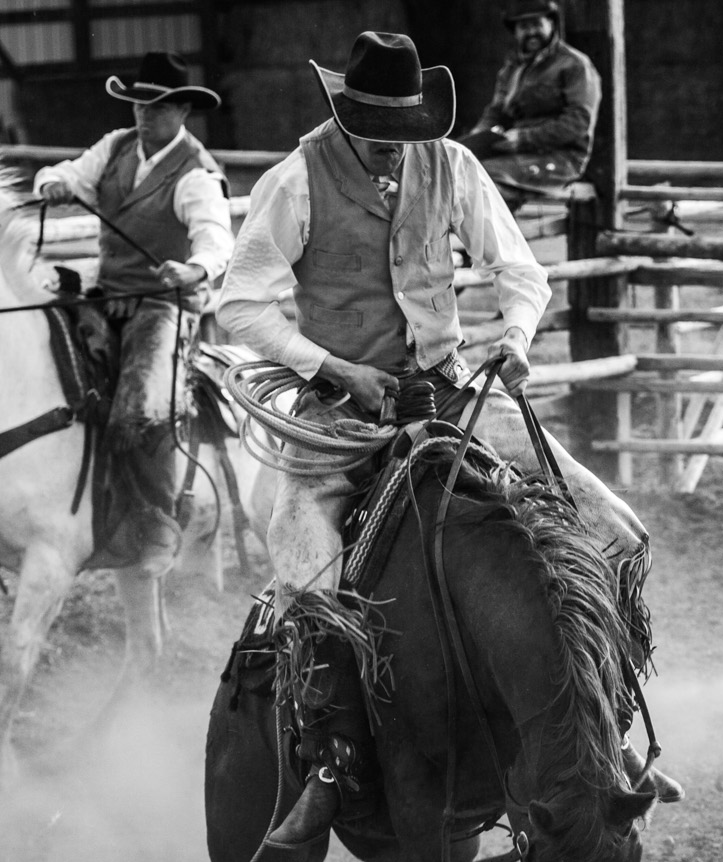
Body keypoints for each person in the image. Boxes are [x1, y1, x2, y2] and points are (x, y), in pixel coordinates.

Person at [217, 31, 676, 807]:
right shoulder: (294, 182)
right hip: (338, 414)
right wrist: (333, 370)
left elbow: (519, 271)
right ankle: (329, 763)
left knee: (617, 531)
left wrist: (517, 341)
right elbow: (239, 303)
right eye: (381, 137)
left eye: (407, 133)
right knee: (307, 569)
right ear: (347, 116)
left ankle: (610, 738)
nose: (398, 150)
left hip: (453, 390)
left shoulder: (451, 164)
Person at [34, 51, 234, 561]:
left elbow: (214, 239)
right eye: (141, 103)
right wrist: (50, 184)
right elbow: (68, 174)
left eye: (160, 106)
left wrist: (194, 269)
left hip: (164, 305)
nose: (146, 114)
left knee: (143, 406)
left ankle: (155, 525)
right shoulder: (115, 146)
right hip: (109, 292)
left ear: (183, 112)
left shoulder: (196, 173)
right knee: (40, 342)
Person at [459, 1, 601, 208]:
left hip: (562, 159)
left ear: (551, 24)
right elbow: (497, 112)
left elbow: (579, 122)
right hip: (514, 154)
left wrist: (524, 138)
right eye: (524, 27)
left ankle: (502, 239)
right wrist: (478, 137)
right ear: (515, 31)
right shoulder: (512, 69)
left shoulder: (575, 65)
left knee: (482, 176)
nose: (531, 32)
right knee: (457, 165)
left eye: (537, 24)